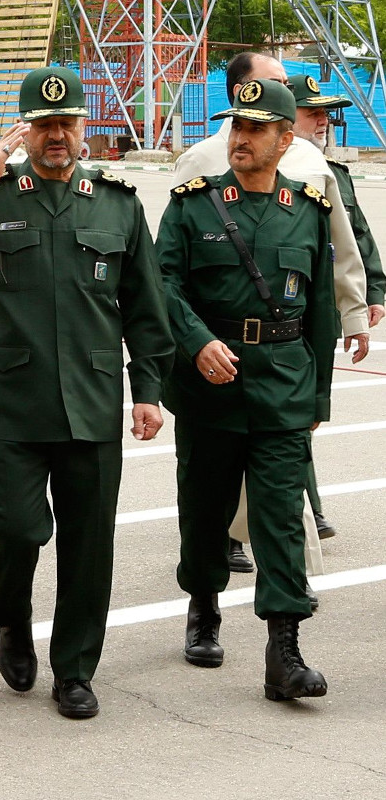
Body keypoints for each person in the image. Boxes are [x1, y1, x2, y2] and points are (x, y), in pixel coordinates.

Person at [0, 66, 174, 719]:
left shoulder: (118, 204)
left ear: (82, 125)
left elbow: (145, 307)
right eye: (43, 125)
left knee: (89, 544)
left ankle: (74, 669)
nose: (56, 135)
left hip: (92, 400)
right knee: (16, 527)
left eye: (66, 122)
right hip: (14, 398)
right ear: (26, 131)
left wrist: (148, 389)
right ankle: (12, 614)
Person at [158, 79, 335, 701]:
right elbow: (163, 285)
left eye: (257, 128)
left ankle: (283, 649)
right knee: (205, 505)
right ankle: (203, 606)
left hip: (283, 383)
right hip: (211, 382)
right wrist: (197, 342)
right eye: (237, 125)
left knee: (281, 517)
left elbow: (320, 312)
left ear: (285, 140)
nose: (242, 137)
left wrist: (318, 398)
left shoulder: (307, 209)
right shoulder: (192, 206)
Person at [175, 53, 369, 576]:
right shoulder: (198, 165)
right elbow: (170, 273)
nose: (289, 86)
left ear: (282, 138)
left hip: (284, 360)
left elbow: (340, 248)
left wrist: (354, 312)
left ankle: (287, 610)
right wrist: (192, 343)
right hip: (219, 358)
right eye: (275, 80)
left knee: (282, 493)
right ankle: (216, 576)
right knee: (212, 489)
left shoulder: (311, 168)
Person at [290, 73, 385, 538]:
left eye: (325, 113)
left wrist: (373, 293)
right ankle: (300, 508)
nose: (323, 120)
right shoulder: (262, 170)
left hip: (321, 313)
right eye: (313, 112)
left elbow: (357, 236)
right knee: (284, 412)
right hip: (277, 311)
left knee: (307, 411)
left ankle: (303, 504)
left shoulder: (335, 174)